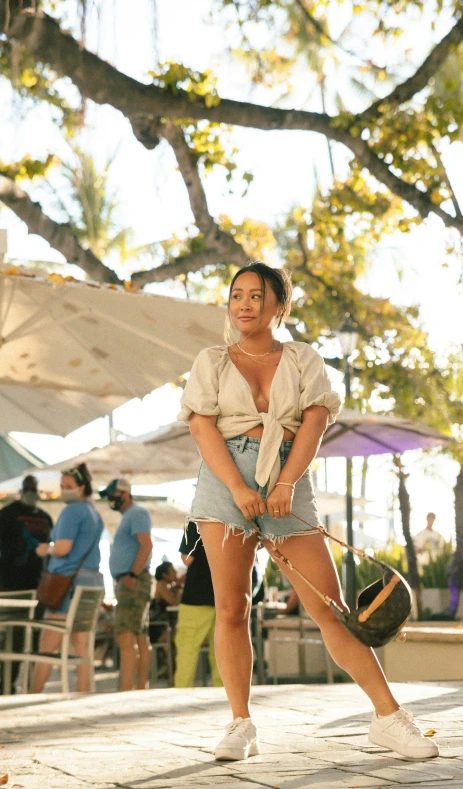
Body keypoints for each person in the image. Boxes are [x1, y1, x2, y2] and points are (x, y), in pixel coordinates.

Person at [178, 261, 439, 761]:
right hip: (222, 483)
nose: (245, 305)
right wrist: (238, 487)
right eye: (237, 296)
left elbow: (315, 422)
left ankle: (388, 717)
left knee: (327, 607)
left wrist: (285, 482)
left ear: (280, 304)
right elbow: (202, 428)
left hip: (286, 477)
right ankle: (241, 725)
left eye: (256, 296)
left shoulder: (303, 359)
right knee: (232, 608)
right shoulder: (210, 360)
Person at [32, 464, 104, 693]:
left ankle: (30, 697)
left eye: (69, 487)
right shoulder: (94, 513)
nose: (64, 491)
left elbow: (62, 548)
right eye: (62, 486)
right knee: (82, 646)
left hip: (66, 585)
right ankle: (84, 695)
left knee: (48, 645)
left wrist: (46, 549)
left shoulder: (72, 511)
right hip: (90, 583)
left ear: (82, 487)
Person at [0, 474, 53, 693]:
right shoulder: (6, 515)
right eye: (28, 487)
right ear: (22, 489)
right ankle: (7, 685)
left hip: (38, 587)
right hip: (11, 586)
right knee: (12, 637)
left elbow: (52, 551)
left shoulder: (45, 517)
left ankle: (25, 686)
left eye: (34, 487)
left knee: (32, 638)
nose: (31, 491)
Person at [101, 479, 153, 691]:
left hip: (133, 580)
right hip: (132, 580)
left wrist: (132, 574)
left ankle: (127, 690)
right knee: (139, 634)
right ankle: (139, 688)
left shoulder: (136, 513)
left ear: (125, 492)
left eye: (113, 493)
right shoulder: (130, 516)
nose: (110, 498)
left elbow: (146, 544)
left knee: (125, 633)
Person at [174, 521, 223, 688]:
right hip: (225, 593)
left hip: (196, 595)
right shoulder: (231, 518)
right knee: (222, 650)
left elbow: (187, 559)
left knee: (187, 649)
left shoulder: (196, 521)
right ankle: (225, 694)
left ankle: (182, 691)